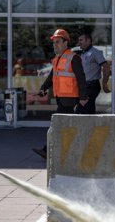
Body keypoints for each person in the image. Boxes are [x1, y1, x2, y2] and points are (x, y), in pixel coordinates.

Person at [32, 29, 87, 159]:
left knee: (58, 124)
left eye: (58, 42)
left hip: (70, 98)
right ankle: (67, 152)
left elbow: (81, 78)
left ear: (65, 43)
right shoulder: (58, 59)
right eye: (54, 42)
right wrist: (43, 88)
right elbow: (52, 76)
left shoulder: (73, 58)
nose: (55, 45)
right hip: (61, 97)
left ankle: (48, 151)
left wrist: (83, 97)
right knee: (65, 126)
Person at [76, 33, 110, 114]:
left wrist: (104, 83)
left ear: (88, 41)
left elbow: (106, 66)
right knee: (89, 111)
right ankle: (92, 126)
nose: (79, 42)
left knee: (80, 111)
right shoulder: (83, 53)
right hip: (85, 86)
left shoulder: (95, 52)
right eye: (79, 40)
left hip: (91, 86)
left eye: (81, 40)